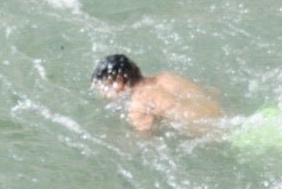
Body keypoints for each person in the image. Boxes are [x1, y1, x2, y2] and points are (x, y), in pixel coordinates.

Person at [91, 54, 219, 134]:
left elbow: (148, 140)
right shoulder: (167, 76)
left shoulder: (137, 106)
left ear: (119, 82)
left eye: (105, 86)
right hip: (223, 116)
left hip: (210, 135)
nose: (103, 92)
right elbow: (209, 91)